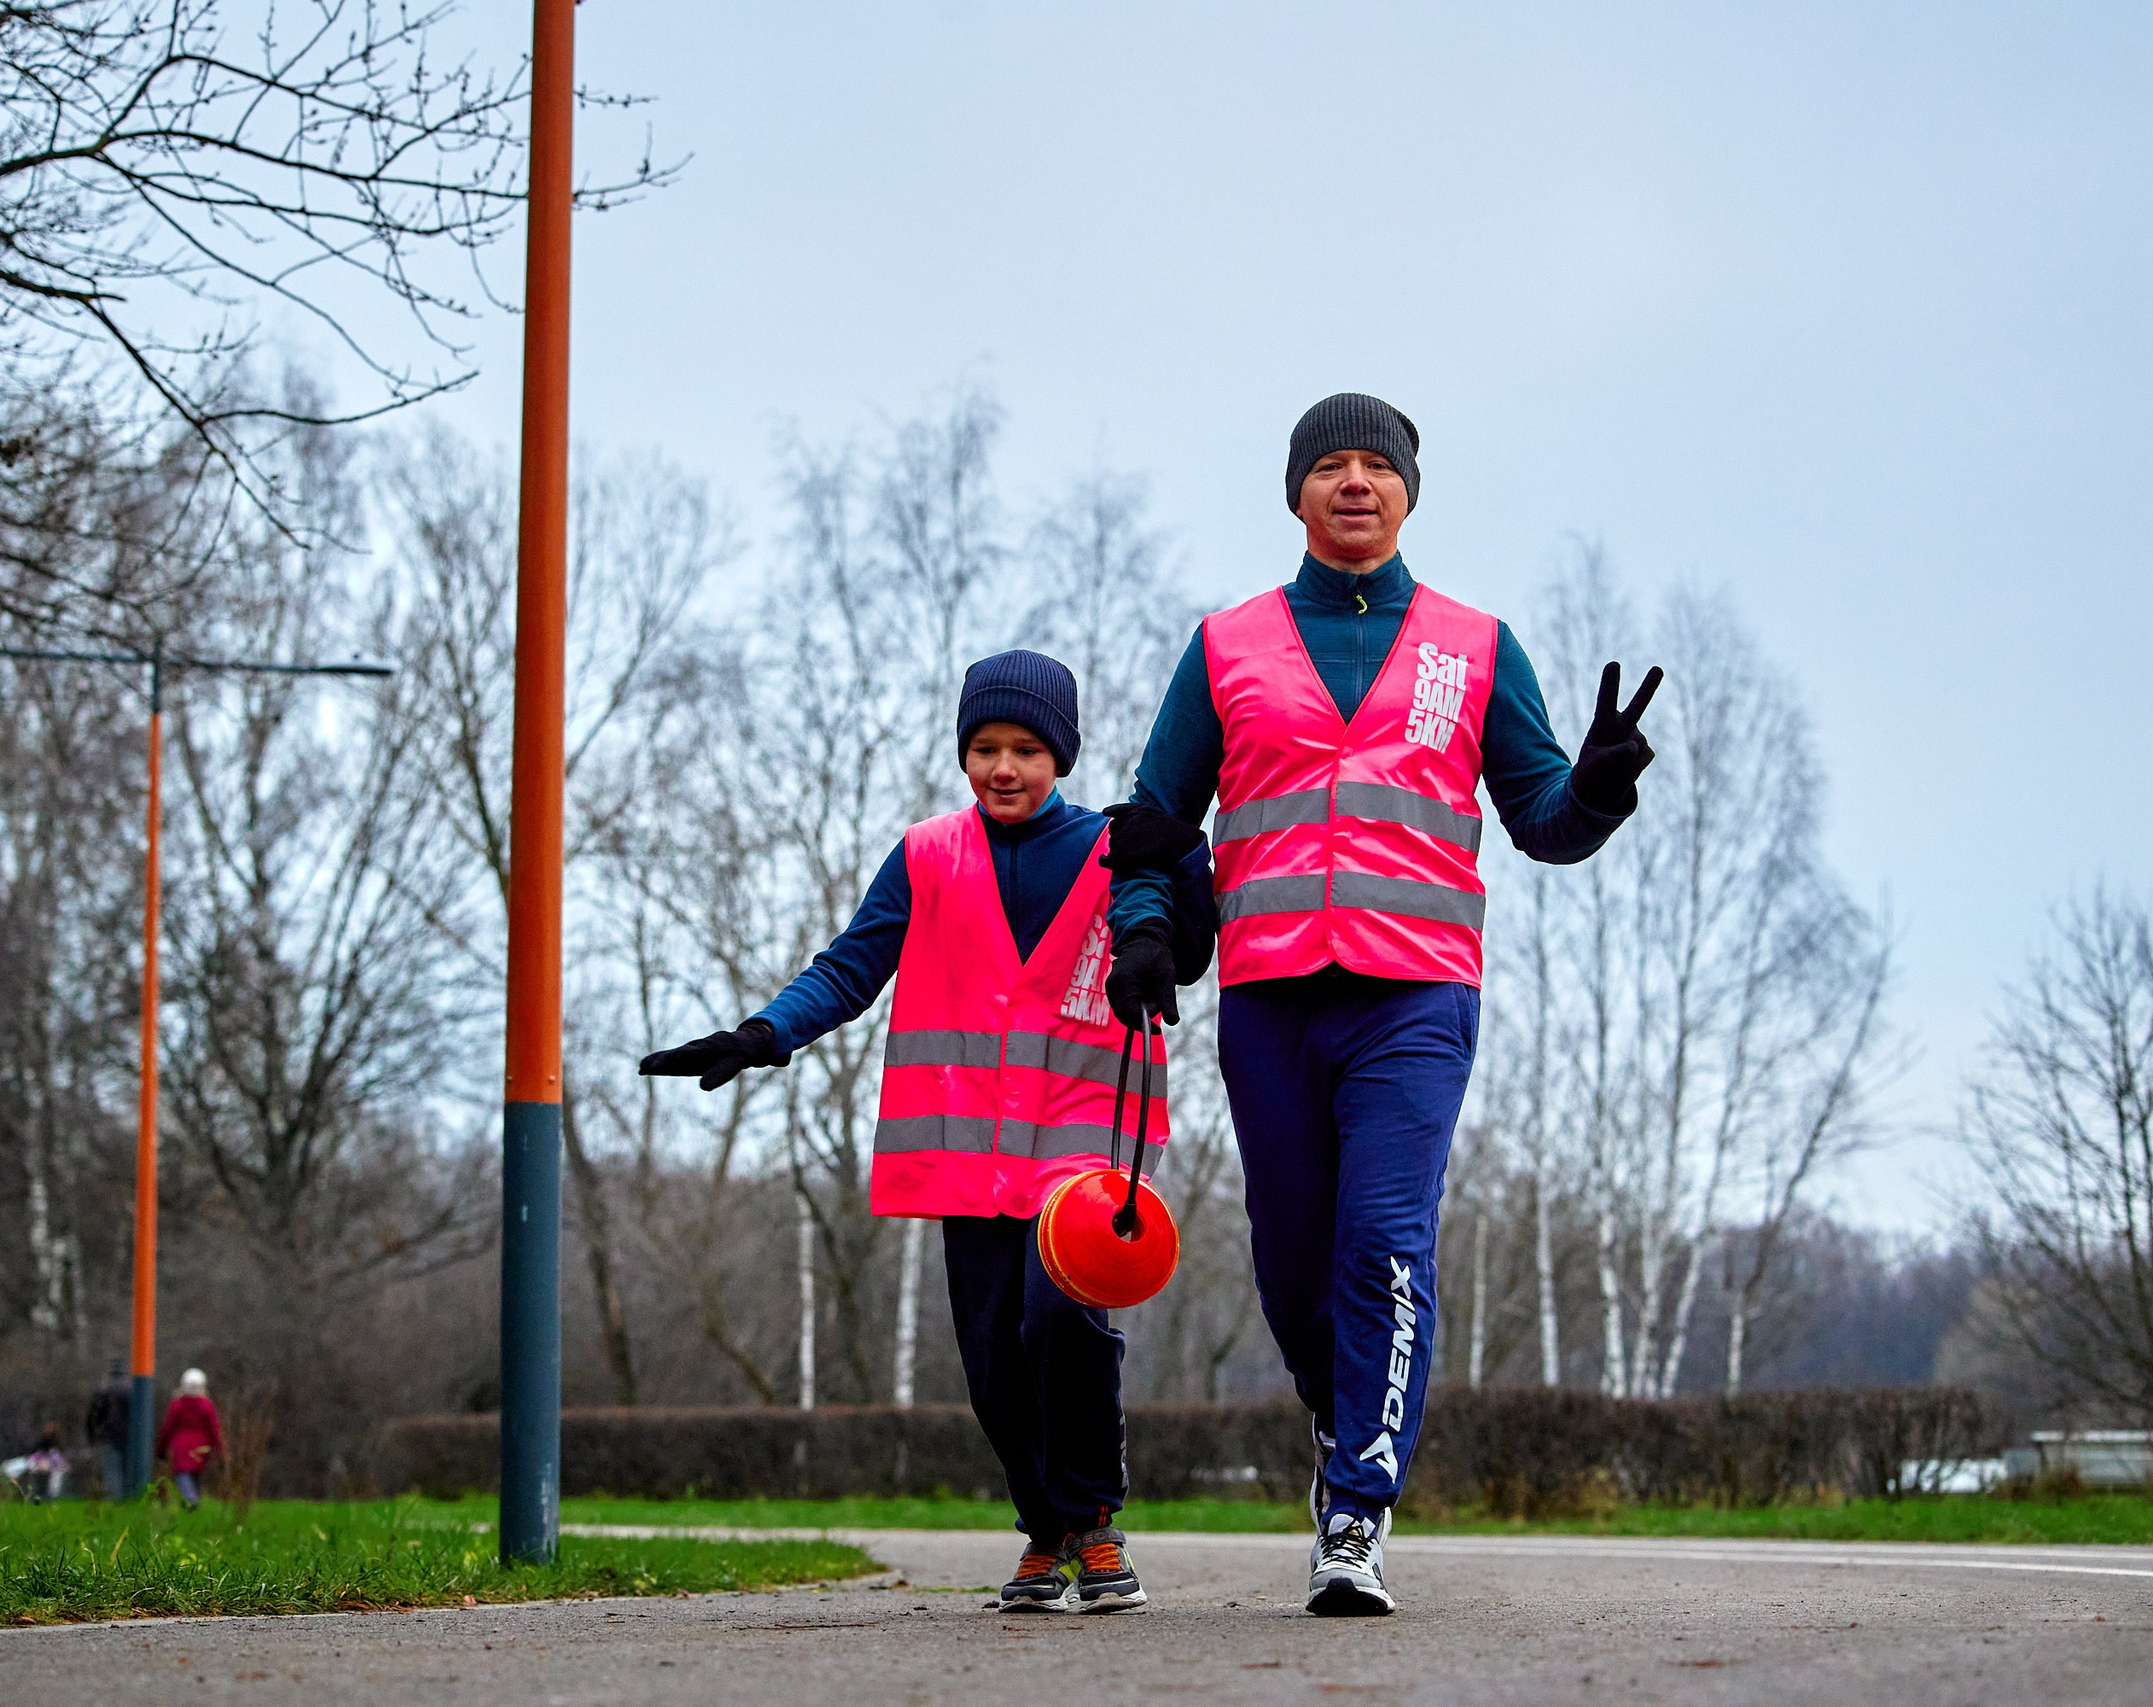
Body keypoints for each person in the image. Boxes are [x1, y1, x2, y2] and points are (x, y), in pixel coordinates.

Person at [1104, 394, 1661, 1615]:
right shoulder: (1226, 646)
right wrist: (1143, 932)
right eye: (1330, 466)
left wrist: (1602, 788)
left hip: (1413, 1001)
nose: (1354, 484)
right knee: (1295, 1267)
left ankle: (1355, 1510)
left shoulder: (1476, 646)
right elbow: (1151, 827)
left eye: (1377, 467)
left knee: (1383, 1246)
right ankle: (1341, 1413)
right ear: (1295, 493)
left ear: (1409, 492)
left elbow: (1544, 825)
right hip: (1269, 999)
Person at [641, 651, 1216, 1614]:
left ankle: (1095, 1522)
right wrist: (761, 1034)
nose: (1004, 767)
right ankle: (1044, 1531)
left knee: (1059, 1317)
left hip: (1082, 1136)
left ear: (1061, 755)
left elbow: (1187, 939)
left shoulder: (1110, 847)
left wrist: (1184, 855)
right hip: (965, 1150)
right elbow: (849, 967)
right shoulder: (926, 853)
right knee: (991, 1352)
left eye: (1027, 749)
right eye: (985, 747)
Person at [158, 1367, 225, 1510]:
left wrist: (161, 1448)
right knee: (195, 1475)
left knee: (183, 1474)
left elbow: (167, 1428)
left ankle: (190, 1500)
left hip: (181, 1447)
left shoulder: (177, 1405)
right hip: (202, 1447)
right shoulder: (207, 1406)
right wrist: (219, 1449)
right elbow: (214, 1429)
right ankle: (191, 1501)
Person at [84, 1364, 131, 1498]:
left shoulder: (103, 1394)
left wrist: (92, 1436)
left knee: (112, 1470)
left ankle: (115, 1499)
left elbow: (93, 1417)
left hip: (109, 1437)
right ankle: (128, 1498)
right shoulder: (131, 1395)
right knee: (127, 1469)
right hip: (128, 1437)